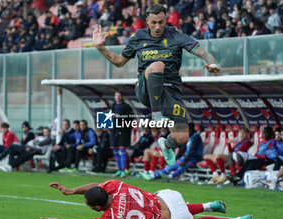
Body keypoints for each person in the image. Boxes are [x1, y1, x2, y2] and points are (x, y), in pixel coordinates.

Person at [92, 4, 220, 168]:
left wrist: (212, 63)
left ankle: (166, 145)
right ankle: (157, 114)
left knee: (182, 138)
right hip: (146, 88)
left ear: (166, 19)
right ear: (147, 21)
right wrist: (100, 48)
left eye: (161, 22)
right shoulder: (138, 36)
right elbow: (118, 61)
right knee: (158, 65)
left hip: (171, 92)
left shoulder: (176, 36)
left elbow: (203, 53)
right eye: (154, 22)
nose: (158, 26)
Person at [39, 180, 255, 219]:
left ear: (97, 208)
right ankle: (210, 204)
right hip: (169, 197)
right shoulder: (115, 185)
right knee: (173, 207)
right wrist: (71, 191)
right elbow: (96, 185)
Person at [111, 91, 133, 177]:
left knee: (122, 150)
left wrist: (120, 117)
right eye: (116, 95)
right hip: (114, 131)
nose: (118, 97)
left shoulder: (127, 107)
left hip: (123, 131)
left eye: (119, 96)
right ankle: (119, 169)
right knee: (115, 150)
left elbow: (130, 119)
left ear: (122, 97)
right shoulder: (112, 106)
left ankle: (124, 170)